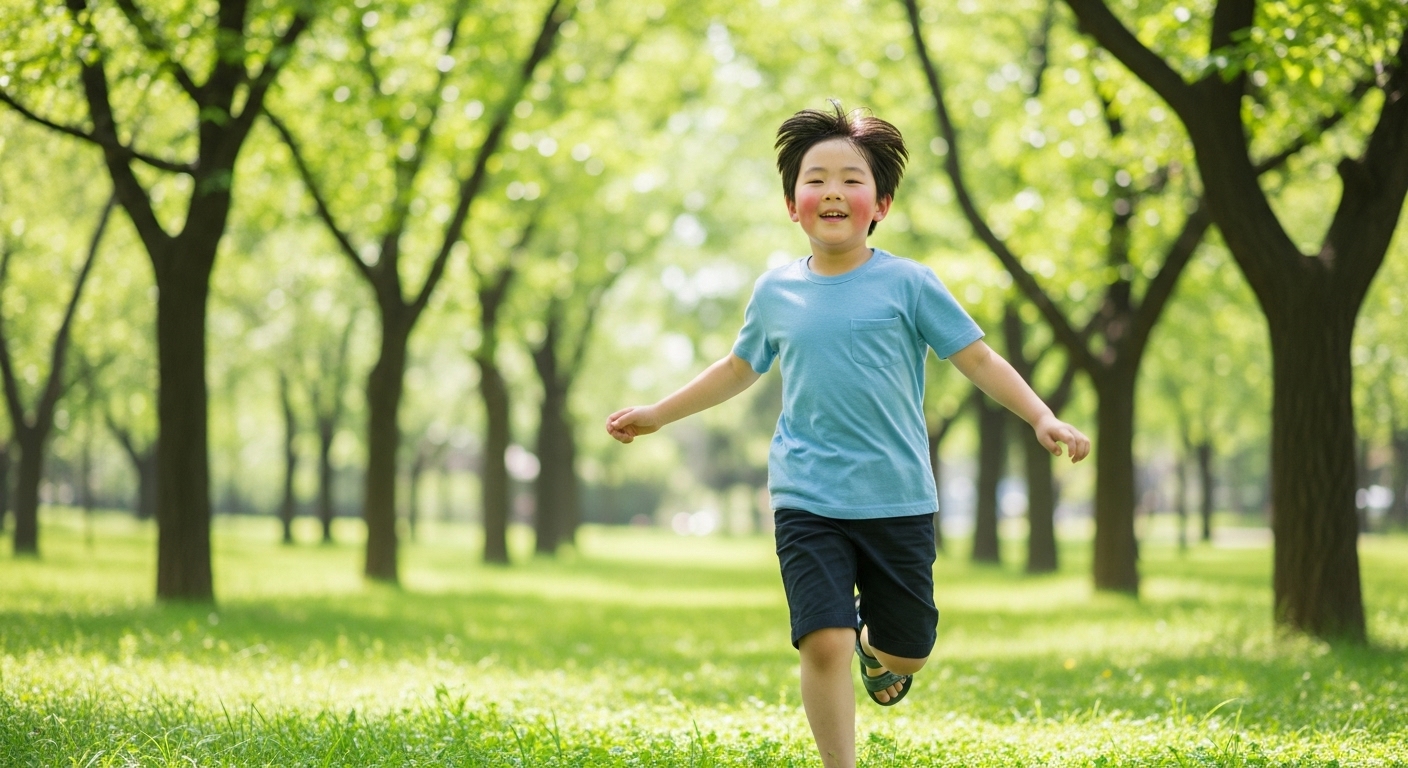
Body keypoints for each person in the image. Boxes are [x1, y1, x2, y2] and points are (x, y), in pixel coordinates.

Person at [606, 101, 1090, 768]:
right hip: (807, 495)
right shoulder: (777, 292)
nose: (833, 190)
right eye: (816, 178)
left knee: (909, 648)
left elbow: (976, 356)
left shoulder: (910, 284)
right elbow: (738, 368)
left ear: (881, 204)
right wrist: (659, 412)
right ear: (791, 203)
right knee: (822, 639)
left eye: (851, 179)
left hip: (896, 496)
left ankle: (875, 651)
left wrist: (1041, 415)